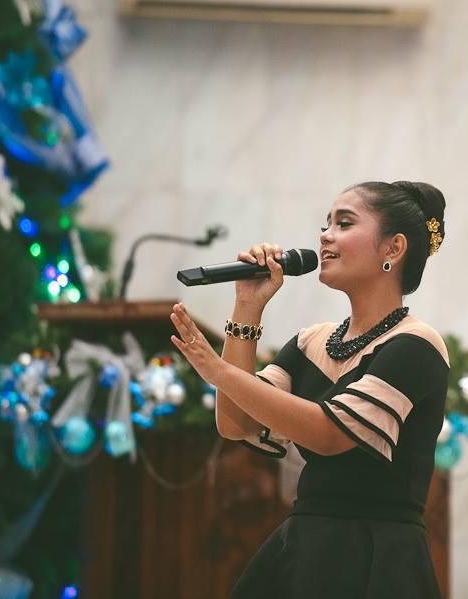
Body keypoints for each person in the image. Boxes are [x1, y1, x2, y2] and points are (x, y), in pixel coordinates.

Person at [168, 180, 449, 598]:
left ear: (393, 248)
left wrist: (218, 371)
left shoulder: (417, 344)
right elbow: (236, 423)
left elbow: (329, 434)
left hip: (377, 554)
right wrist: (248, 304)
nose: (325, 236)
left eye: (344, 224)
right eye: (326, 224)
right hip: (304, 548)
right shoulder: (311, 342)